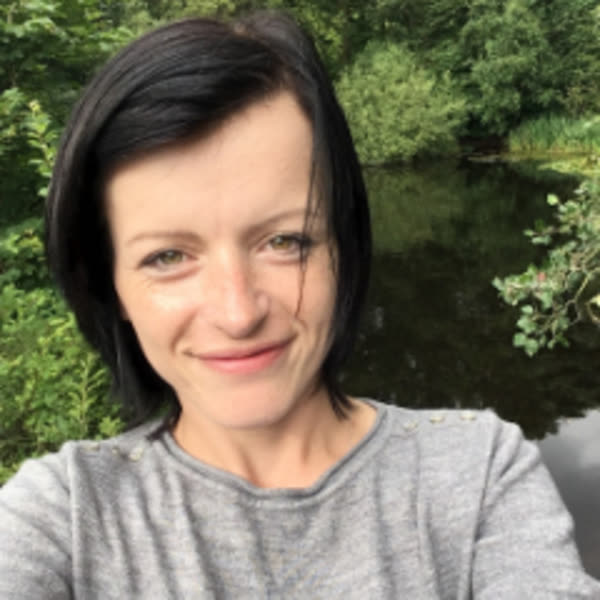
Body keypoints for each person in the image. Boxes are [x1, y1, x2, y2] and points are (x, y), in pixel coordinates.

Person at [1, 11, 598, 599]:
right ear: (112, 288)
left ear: (343, 246)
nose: (238, 313)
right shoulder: (62, 515)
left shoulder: (478, 474)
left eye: (285, 242)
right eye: (167, 257)